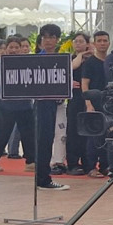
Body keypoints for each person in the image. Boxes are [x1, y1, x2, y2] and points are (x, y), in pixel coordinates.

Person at [0, 36, 36, 173]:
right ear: (6, 49)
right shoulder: (0, 63)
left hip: (25, 104)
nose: (14, 50)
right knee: (4, 134)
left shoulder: (27, 62)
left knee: (28, 134)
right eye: (11, 47)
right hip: (7, 105)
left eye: (16, 47)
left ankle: (31, 162)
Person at [33, 24, 69, 191]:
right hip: (42, 103)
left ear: (57, 39)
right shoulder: (36, 58)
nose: (49, 41)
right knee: (43, 140)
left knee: (52, 137)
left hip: (56, 103)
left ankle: (44, 176)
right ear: (41, 39)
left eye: (52, 37)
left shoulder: (61, 58)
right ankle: (42, 178)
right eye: (46, 37)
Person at [82, 31, 111, 177]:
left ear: (109, 43)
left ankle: (105, 166)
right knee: (93, 137)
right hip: (94, 104)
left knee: (108, 136)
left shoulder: (111, 61)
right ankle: (91, 167)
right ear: (94, 43)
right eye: (99, 41)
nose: (102, 43)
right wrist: (88, 104)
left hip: (110, 104)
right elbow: (85, 84)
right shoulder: (89, 63)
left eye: (105, 41)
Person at [66, 33, 91, 175]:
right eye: (76, 41)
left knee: (87, 131)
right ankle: (73, 163)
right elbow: (69, 69)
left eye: (81, 41)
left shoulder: (92, 60)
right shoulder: (70, 58)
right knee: (73, 131)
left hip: (87, 98)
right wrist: (81, 55)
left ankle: (88, 163)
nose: (78, 44)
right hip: (74, 99)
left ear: (88, 43)